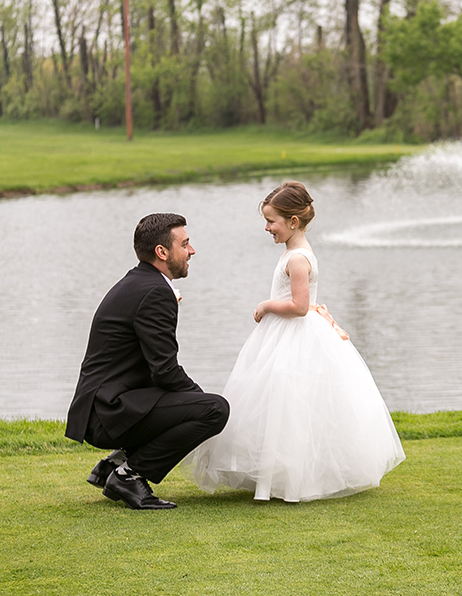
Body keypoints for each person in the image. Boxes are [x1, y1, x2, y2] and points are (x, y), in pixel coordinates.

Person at [181, 181, 404, 502]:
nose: (267, 228)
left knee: (291, 404)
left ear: (293, 222)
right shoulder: (293, 252)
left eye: (272, 221)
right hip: (284, 335)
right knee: (277, 403)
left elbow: (299, 307)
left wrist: (267, 305)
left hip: (294, 335)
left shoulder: (297, 259)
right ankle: (278, 478)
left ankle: (295, 480)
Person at [65, 213, 230, 510]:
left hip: (103, 406)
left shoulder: (139, 282)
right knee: (215, 410)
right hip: (108, 412)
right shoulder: (155, 291)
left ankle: (115, 463)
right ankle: (129, 475)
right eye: (185, 244)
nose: (192, 251)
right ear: (162, 252)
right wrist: (200, 399)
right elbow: (165, 371)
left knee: (194, 404)